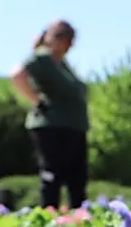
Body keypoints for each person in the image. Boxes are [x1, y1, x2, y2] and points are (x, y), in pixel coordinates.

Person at [8, 19, 89, 209]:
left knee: (77, 177)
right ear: (55, 38)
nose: (69, 45)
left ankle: (77, 216)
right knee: (54, 174)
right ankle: (49, 216)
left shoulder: (61, 63)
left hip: (73, 127)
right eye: (66, 40)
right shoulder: (42, 58)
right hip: (52, 126)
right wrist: (36, 100)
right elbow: (16, 75)